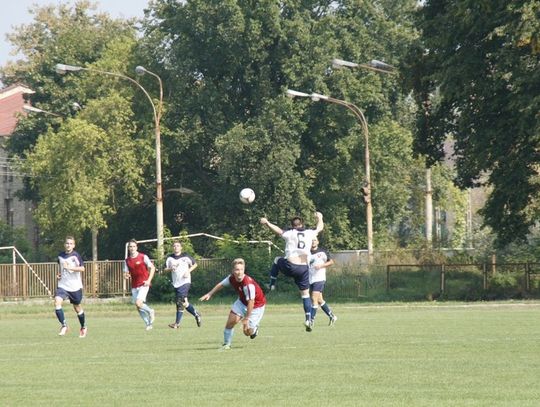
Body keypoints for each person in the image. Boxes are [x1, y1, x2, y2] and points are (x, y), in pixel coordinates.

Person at [260, 211, 323, 332]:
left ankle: (272, 285)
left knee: (277, 259)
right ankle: (308, 319)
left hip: (291, 265)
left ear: (292, 225)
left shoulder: (290, 233)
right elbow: (320, 227)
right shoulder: (309, 233)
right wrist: (320, 217)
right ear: (302, 224)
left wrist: (267, 223)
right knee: (305, 295)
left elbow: (278, 230)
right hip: (304, 268)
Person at [199, 258, 266, 350]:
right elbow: (221, 284)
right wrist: (210, 293)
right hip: (242, 303)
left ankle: (254, 330)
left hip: (256, 307)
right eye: (237, 269)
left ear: (244, 270)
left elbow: (251, 302)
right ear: (233, 270)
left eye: (241, 270)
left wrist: (246, 318)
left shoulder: (248, 284)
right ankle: (227, 344)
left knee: (247, 332)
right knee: (231, 322)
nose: (239, 272)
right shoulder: (231, 278)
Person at [54, 236, 87, 338]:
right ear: (64, 244)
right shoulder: (60, 256)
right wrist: (59, 274)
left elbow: (82, 268)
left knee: (77, 307)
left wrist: (71, 268)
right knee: (57, 301)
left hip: (75, 287)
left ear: (74, 245)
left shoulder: (75, 256)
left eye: (71, 244)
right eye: (67, 243)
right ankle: (64, 325)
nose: (68, 245)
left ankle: (83, 327)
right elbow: (62, 268)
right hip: (63, 285)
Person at [164, 240, 202, 329]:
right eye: (174, 246)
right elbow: (165, 269)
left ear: (181, 247)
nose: (176, 247)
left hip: (185, 282)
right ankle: (196, 314)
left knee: (179, 302)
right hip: (176, 283)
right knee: (184, 303)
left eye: (178, 246)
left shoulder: (186, 256)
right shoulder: (169, 258)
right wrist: (170, 269)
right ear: (172, 247)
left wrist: (188, 271)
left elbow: (195, 264)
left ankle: (177, 324)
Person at [123, 239, 156, 330]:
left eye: (134, 246)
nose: (132, 248)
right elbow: (126, 273)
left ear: (136, 247)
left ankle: (150, 311)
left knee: (138, 303)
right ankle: (148, 324)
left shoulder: (143, 257)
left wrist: (148, 280)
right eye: (130, 247)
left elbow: (152, 268)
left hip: (144, 284)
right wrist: (126, 276)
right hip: (134, 285)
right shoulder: (127, 261)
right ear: (128, 248)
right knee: (138, 307)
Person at [309, 237, 337, 326]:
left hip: (319, 278)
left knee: (314, 299)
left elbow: (331, 262)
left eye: (314, 240)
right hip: (311, 279)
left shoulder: (322, 252)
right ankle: (332, 316)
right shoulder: (306, 252)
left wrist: (321, 266)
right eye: (311, 240)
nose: (313, 242)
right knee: (320, 300)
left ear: (317, 242)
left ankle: (311, 320)